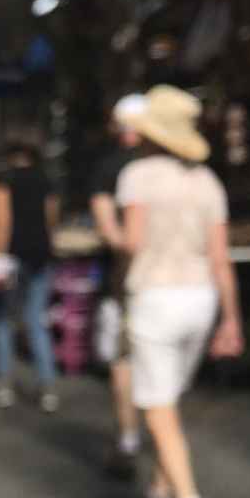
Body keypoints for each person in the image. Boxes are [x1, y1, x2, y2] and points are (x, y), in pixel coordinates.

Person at [116, 85, 244, 498]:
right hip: (201, 300)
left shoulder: (138, 176)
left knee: (158, 406)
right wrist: (231, 320)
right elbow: (220, 257)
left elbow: (131, 242)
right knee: (170, 397)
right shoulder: (208, 182)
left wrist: (115, 258)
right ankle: (158, 486)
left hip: (156, 298)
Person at [91, 95, 146, 468]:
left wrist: (129, 250)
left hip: (126, 280)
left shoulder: (110, 169)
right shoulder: (178, 168)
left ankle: (128, 436)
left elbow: (110, 232)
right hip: (178, 284)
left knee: (123, 360)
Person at [0, 133, 59, 412]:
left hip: (13, 255)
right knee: (36, 320)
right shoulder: (46, 179)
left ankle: (3, 382)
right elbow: (51, 219)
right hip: (41, 255)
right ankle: (47, 386)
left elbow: (2, 221)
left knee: (2, 318)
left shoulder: (5, 181)